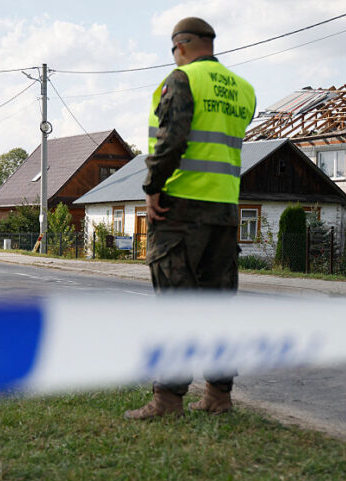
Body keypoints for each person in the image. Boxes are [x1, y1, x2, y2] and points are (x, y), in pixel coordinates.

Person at [123, 17, 256, 420]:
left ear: (181, 45)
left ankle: (167, 400)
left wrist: (152, 188)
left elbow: (173, 138)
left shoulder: (180, 80)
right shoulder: (243, 89)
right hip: (225, 210)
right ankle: (219, 395)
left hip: (179, 208)